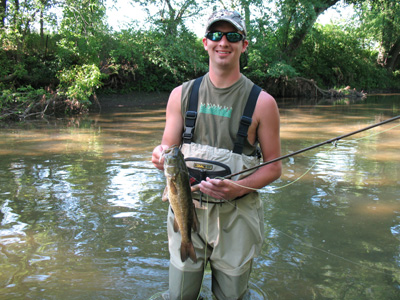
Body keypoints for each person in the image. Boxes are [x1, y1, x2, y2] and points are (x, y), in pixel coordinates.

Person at [152, 9, 281, 300]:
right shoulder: (181, 95)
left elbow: (274, 168)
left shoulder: (263, 103)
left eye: (232, 36)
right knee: (180, 295)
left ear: (244, 45)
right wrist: (159, 155)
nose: (223, 42)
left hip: (237, 218)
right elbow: (166, 148)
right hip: (187, 211)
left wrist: (236, 189)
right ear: (205, 42)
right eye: (215, 34)